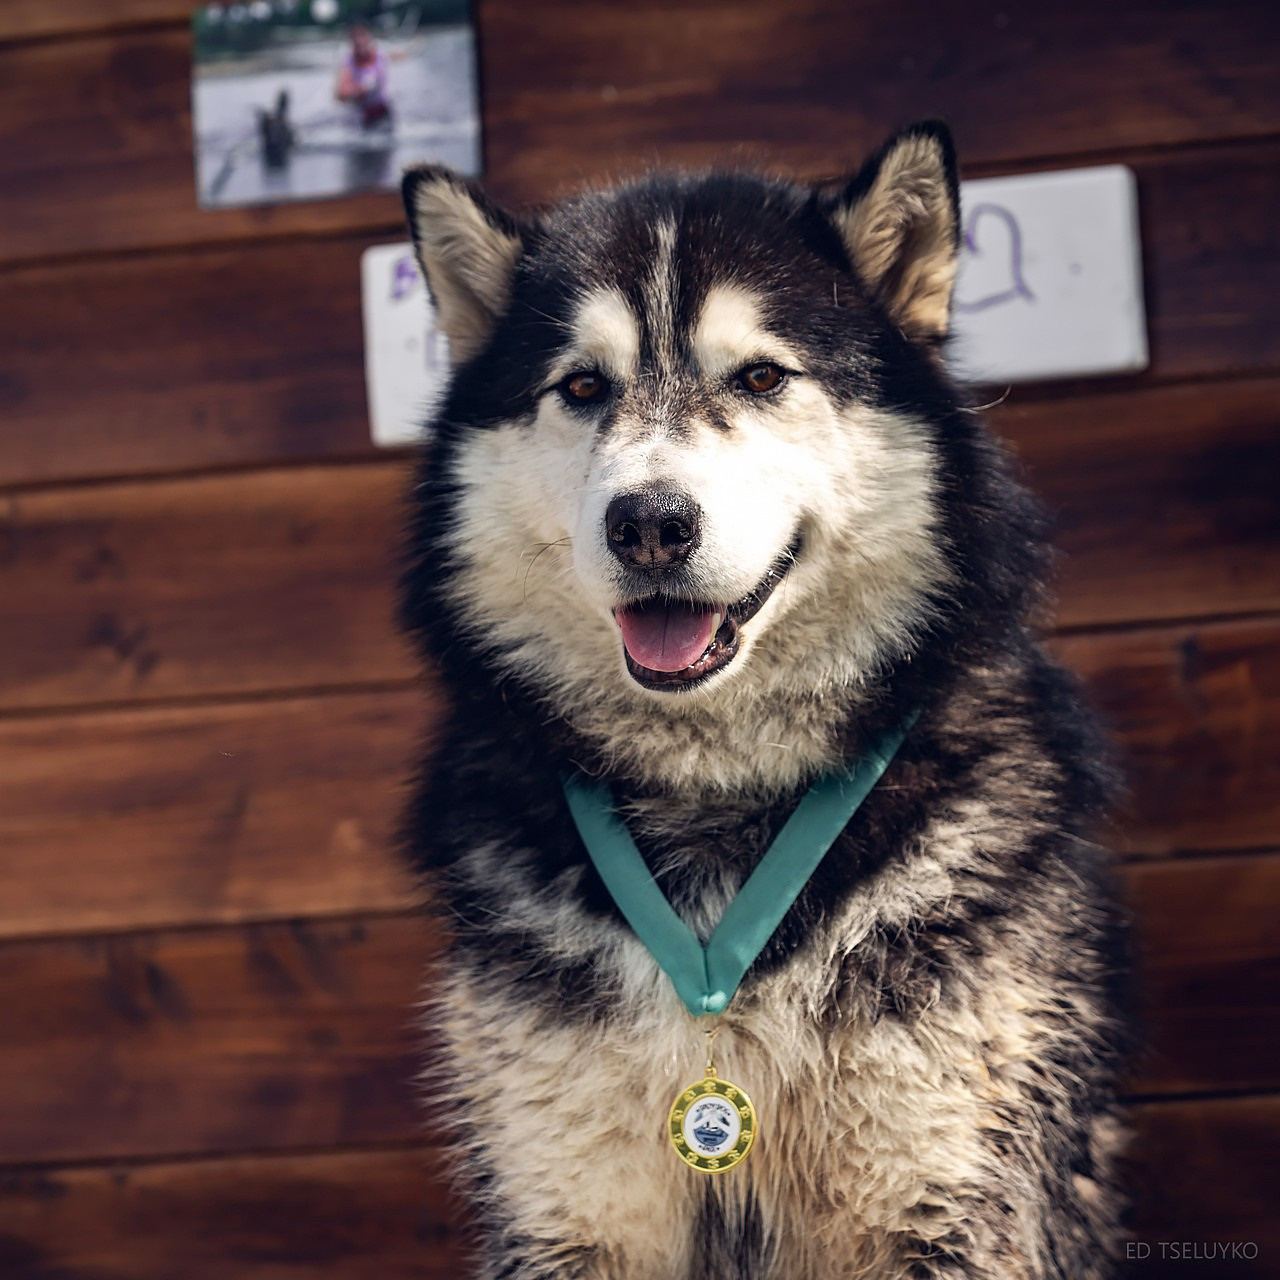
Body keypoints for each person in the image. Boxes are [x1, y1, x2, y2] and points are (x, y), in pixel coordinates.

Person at [335, 22, 391, 128]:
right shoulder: (348, 61)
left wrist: (413, 47)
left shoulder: (381, 54)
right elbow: (340, 92)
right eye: (355, 37)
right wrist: (359, 90)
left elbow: (398, 54)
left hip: (383, 109)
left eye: (362, 36)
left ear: (369, 38)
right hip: (363, 113)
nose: (359, 40)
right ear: (351, 42)